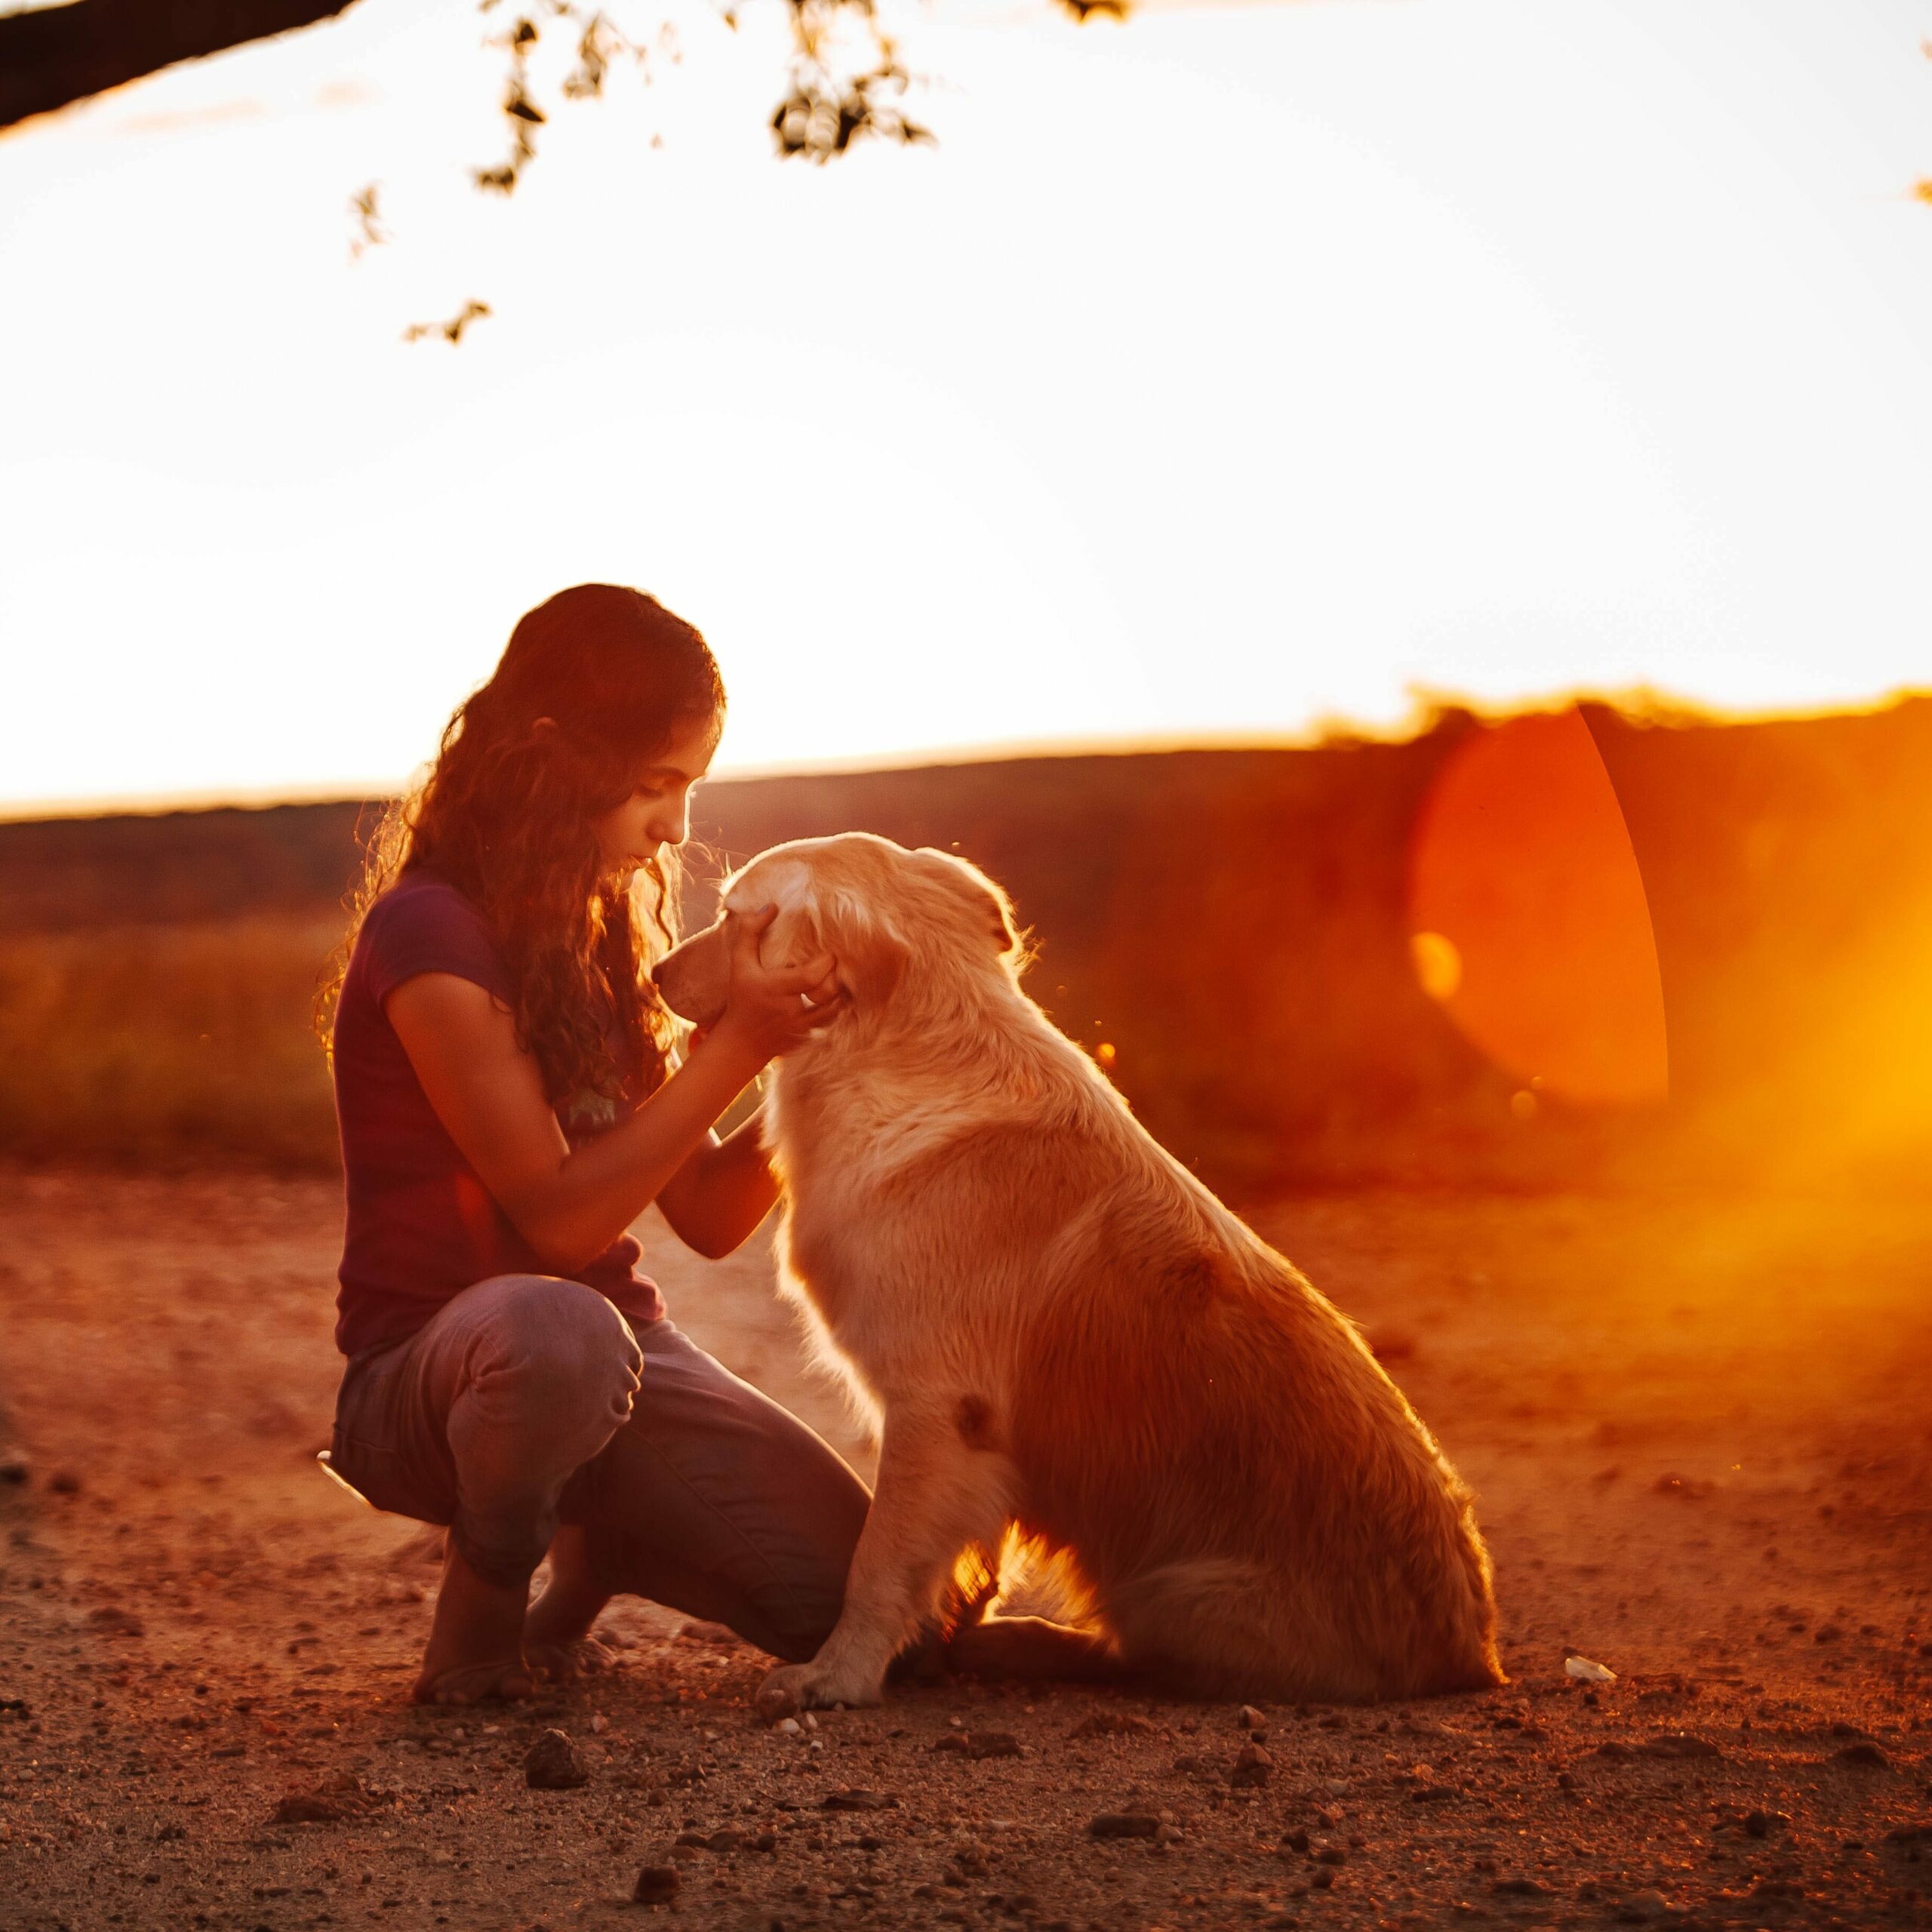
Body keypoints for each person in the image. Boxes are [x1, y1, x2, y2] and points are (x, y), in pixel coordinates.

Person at [319, 583, 870, 1706]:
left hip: (608, 1371)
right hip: (437, 1377)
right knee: (558, 1325)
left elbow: (711, 1213)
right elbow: (562, 1218)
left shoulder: (594, 937)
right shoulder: (431, 935)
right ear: (551, 757)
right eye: (658, 785)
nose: (675, 827)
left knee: (854, 1606)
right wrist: (740, 1047)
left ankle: (603, 1543)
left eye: (691, 789)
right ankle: (477, 1628)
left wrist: (821, 1041)